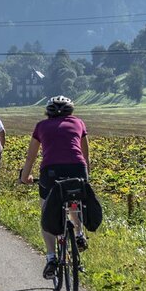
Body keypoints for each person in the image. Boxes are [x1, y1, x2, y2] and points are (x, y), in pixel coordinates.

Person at [19, 95, 90, 279]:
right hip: (77, 169)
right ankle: (79, 234)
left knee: (47, 213)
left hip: (51, 172)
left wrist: (25, 177)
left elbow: (31, 157)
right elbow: (85, 155)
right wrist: (86, 178)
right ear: (71, 111)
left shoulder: (41, 126)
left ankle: (51, 257)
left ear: (48, 112)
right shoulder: (79, 123)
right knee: (74, 201)